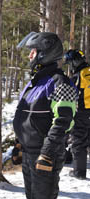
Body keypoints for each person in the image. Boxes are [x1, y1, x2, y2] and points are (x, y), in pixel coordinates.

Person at [13, 32, 78, 199]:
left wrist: (47, 152)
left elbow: (63, 122)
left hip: (46, 155)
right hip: (29, 153)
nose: (29, 56)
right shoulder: (34, 83)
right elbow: (26, 117)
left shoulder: (60, 82)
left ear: (44, 53)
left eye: (32, 52)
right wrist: (19, 144)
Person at [64, 49, 90, 179]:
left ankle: (79, 172)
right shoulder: (88, 72)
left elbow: (70, 94)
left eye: (70, 63)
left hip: (82, 112)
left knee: (78, 140)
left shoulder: (78, 76)